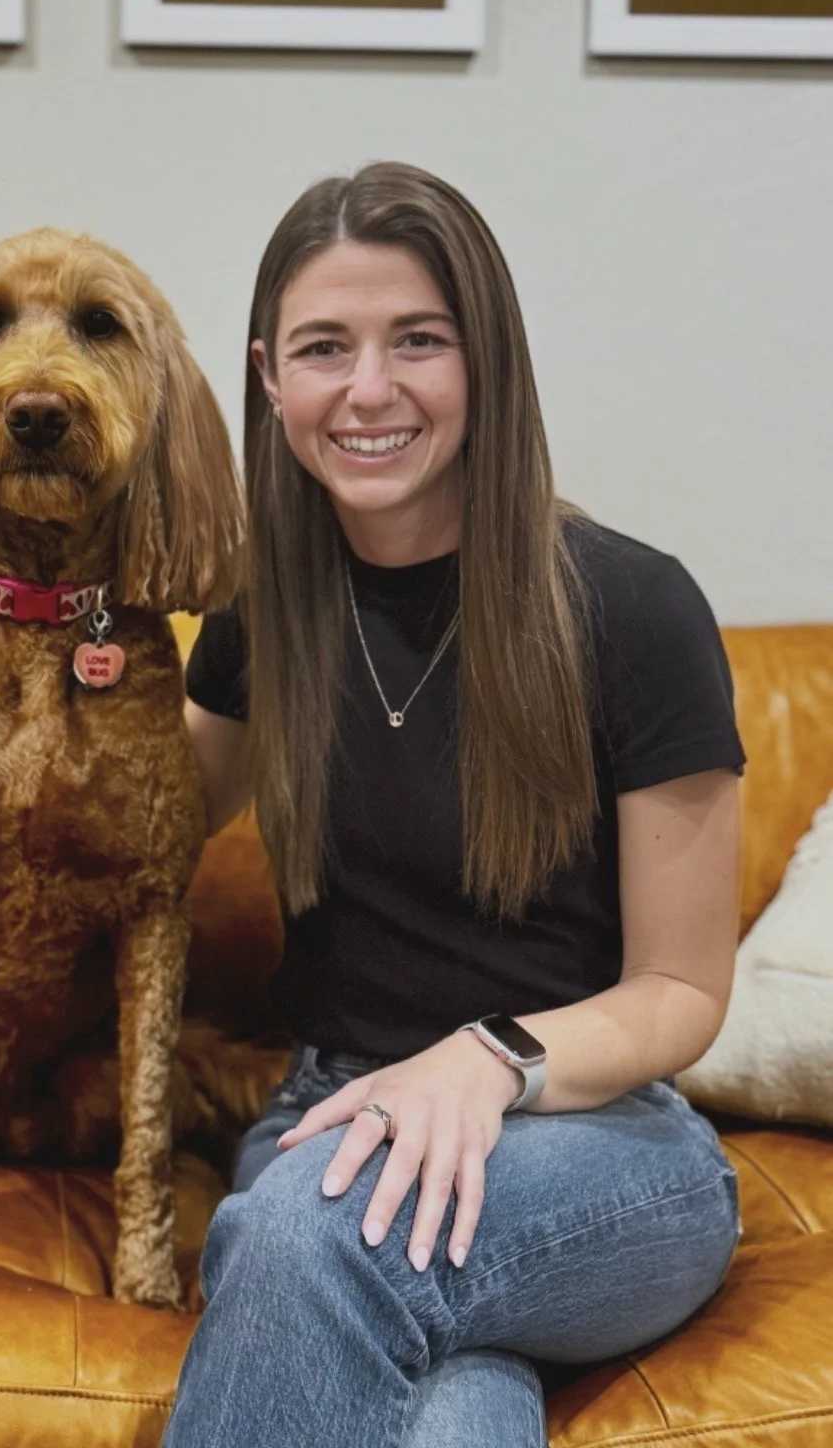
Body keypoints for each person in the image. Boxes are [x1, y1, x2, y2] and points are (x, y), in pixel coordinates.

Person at [162, 162, 745, 1448]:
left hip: (594, 1144)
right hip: (326, 1113)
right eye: (325, 348)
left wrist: (489, 1061)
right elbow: (133, 838)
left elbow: (684, 994)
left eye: (417, 341)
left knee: (311, 1235)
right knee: (453, 1415)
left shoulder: (633, 611)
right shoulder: (265, 613)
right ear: (270, 377)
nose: (368, 390)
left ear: (486, 361)